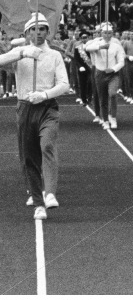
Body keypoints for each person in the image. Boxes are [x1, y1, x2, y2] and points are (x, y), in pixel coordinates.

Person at [0, 13, 71, 220]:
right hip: (25, 108)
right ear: (27, 33)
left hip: (47, 108)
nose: (38, 33)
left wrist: (44, 94)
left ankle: (49, 193)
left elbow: (64, 84)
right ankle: (38, 203)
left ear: (48, 32)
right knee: (29, 156)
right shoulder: (20, 53)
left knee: (47, 146)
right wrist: (21, 52)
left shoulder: (54, 55)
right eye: (33, 29)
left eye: (42, 29)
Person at [85, 22, 125, 130]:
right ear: (102, 33)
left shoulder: (116, 45)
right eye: (105, 33)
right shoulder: (96, 43)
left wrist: (113, 69)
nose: (107, 35)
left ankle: (113, 117)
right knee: (102, 98)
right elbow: (87, 48)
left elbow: (121, 61)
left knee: (112, 94)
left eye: (110, 33)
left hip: (113, 74)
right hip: (100, 73)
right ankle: (105, 120)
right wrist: (101, 46)